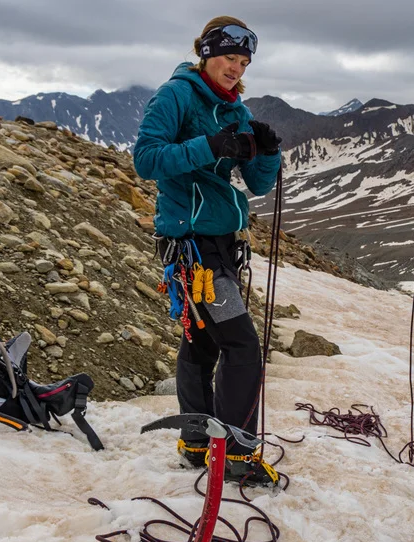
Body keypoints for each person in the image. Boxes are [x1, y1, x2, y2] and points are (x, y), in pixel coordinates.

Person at [133, 16, 282, 486]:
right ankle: (237, 452)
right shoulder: (176, 95)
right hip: (192, 247)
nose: (236, 69)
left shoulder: (235, 109)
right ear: (206, 54)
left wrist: (268, 151)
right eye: (229, 58)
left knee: (202, 342)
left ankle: (196, 442)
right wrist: (209, 145)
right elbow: (145, 159)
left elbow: (258, 183)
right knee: (242, 345)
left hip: (220, 243)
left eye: (244, 62)